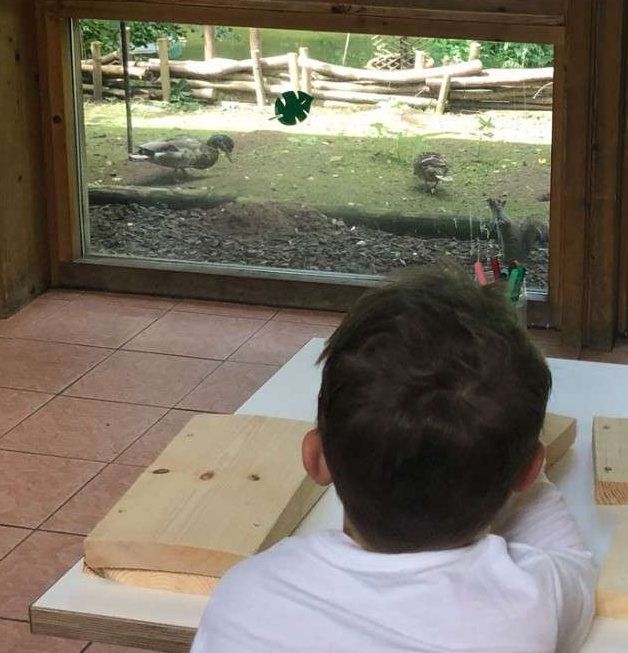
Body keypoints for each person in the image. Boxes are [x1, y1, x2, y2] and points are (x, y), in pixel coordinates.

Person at [192, 265, 596, 653]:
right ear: (527, 471)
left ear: (316, 459)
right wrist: (515, 459)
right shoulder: (533, 601)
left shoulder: (244, 597)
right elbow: (573, 562)